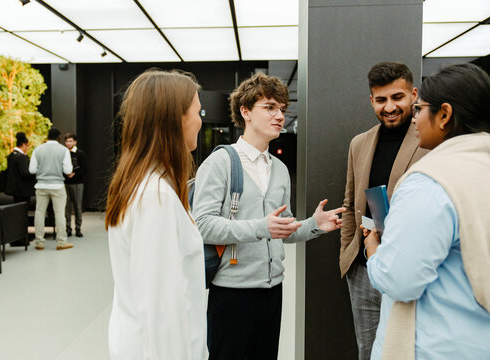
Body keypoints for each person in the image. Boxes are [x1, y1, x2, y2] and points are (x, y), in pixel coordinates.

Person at [192, 72, 345, 360]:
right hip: (232, 292)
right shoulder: (220, 162)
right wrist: (261, 226)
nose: (279, 116)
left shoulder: (279, 169)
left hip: (273, 290)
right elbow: (203, 224)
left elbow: (281, 229)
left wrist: (314, 225)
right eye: (270, 107)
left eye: (282, 110)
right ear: (245, 111)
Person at [364, 63, 490, 359]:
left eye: (419, 109)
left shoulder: (429, 182)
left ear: (444, 115)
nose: (415, 119)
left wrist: (373, 249)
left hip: (435, 345)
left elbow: (399, 280)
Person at [105, 70, 207, 360]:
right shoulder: (155, 197)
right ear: (175, 119)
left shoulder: (142, 186)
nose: (200, 121)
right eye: (197, 112)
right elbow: (159, 310)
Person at [339, 62, 428, 360]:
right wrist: (348, 255)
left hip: (410, 269)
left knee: (406, 351)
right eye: (381, 100)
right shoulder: (359, 143)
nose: (389, 107)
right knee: (367, 351)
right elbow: (351, 202)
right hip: (364, 269)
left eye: (397, 97)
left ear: (413, 95)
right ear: (372, 101)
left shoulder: (431, 142)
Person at [29, 128, 74, 251]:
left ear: (47, 136)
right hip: (58, 186)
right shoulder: (64, 150)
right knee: (59, 214)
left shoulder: (37, 149)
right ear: (58, 137)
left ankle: (39, 242)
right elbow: (68, 170)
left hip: (41, 186)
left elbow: (32, 170)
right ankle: (61, 242)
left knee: (39, 213)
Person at [64, 133, 86, 238]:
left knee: (77, 207)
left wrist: (74, 174)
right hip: (65, 183)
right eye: (67, 141)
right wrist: (66, 174)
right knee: (66, 208)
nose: (68, 143)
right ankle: (68, 228)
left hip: (77, 183)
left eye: (70, 141)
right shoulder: (63, 153)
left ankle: (78, 228)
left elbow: (84, 168)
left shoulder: (80, 153)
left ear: (75, 142)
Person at [5, 131, 35, 206]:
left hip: (14, 189)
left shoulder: (11, 156)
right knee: (23, 210)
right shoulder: (21, 157)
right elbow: (25, 173)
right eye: (27, 146)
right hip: (23, 190)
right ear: (23, 145)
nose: (27, 148)